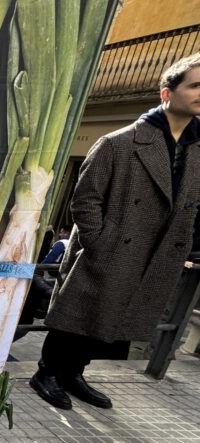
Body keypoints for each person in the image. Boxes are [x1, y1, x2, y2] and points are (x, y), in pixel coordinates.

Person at [32, 54, 200, 411]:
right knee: (79, 313)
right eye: (195, 85)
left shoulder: (196, 151)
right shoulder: (119, 142)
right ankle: (47, 373)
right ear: (167, 92)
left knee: (112, 316)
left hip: (155, 253)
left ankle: (74, 373)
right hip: (110, 248)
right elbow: (85, 200)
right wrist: (100, 242)